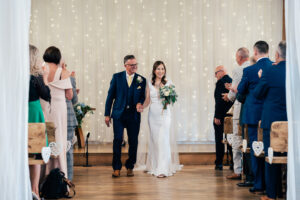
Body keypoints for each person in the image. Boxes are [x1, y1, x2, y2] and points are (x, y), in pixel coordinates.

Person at [237, 40, 273, 194]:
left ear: (255, 52)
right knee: (270, 148)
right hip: (270, 115)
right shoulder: (274, 67)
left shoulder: (249, 71)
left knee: (255, 149)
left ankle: (258, 184)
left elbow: (240, 89)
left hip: (252, 115)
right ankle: (271, 184)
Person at [254, 41, 287, 200]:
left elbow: (257, 94)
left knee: (271, 157)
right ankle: (288, 191)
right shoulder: (295, 71)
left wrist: (261, 77)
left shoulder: (269, 71)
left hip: (272, 121)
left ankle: (272, 194)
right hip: (291, 122)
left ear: (277, 55)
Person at [104, 55, 146, 177]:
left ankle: (130, 166)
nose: (135, 67)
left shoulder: (141, 80)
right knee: (117, 140)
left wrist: (140, 103)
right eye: (132, 65)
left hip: (134, 116)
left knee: (133, 141)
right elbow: (110, 97)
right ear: (125, 66)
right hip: (118, 114)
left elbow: (143, 96)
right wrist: (107, 114)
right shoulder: (116, 77)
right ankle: (116, 168)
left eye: (136, 64)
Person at [141, 61, 182, 178]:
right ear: (154, 70)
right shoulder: (149, 83)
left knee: (163, 140)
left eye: (162, 69)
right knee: (154, 140)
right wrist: (141, 107)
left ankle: (163, 169)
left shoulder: (168, 83)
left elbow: (170, 101)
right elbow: (148, 99)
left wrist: (165, 92)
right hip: (152, 115)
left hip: (164, 114)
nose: (160, 71)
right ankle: (155, 164)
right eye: (158, 69)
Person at [41, 46, 73, 178]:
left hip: (44, 107)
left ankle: (44, 178)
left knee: (46, 140)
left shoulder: (41, 69)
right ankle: (60, 177)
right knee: (59, 139)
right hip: (59, 109)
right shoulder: (62, 72)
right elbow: (69, 95)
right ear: (58, 57)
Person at [222, 48, 250, 180]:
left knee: (236, 139)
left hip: (240, 108)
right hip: (251, 109)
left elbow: (235, 94)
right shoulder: (253, 67)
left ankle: (238, 170)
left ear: (239, 57)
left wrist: (229, 95)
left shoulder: (238, 70)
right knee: (249, 140)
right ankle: (249, 171)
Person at [28, 45, 51, 200]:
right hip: (34, 114)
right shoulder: (36, 77)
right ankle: (34, 190)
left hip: (21, 115)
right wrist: (45, 77)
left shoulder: (15, 75)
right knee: (35, 156)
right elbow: (46, 94)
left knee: (23, 155)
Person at [213, 65, 234, 170]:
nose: (215, 76)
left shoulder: (220, 82)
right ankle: (233, 162)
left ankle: (219, 162)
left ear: (221, 72)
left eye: (216, 73)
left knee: (219, 139)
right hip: (230, 116)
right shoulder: (232, 81)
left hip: (221, 116)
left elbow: (219, 101)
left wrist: (217, 116)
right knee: (231, 139)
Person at [63, 62, 78, 181]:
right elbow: (74, 100)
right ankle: (68, 180)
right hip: (68, 117)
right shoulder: (69, 77)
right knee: (68, 150)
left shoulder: (46, 75)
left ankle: (54, 178)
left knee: (54, 149)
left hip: (51, 116)